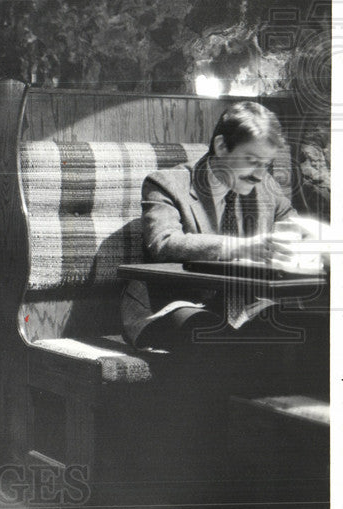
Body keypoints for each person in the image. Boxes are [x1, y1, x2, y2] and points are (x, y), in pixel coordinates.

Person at [122, 101, 300, 349]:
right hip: (175, 306)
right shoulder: (166, 184)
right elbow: (163, 243)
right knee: (210, 335)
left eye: (266, 164)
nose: (259, 174)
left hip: (247, 309)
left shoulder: (265, 187)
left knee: (309, 327)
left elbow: (295, 228)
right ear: (221, 146)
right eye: (251, 160)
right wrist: (242, 247)